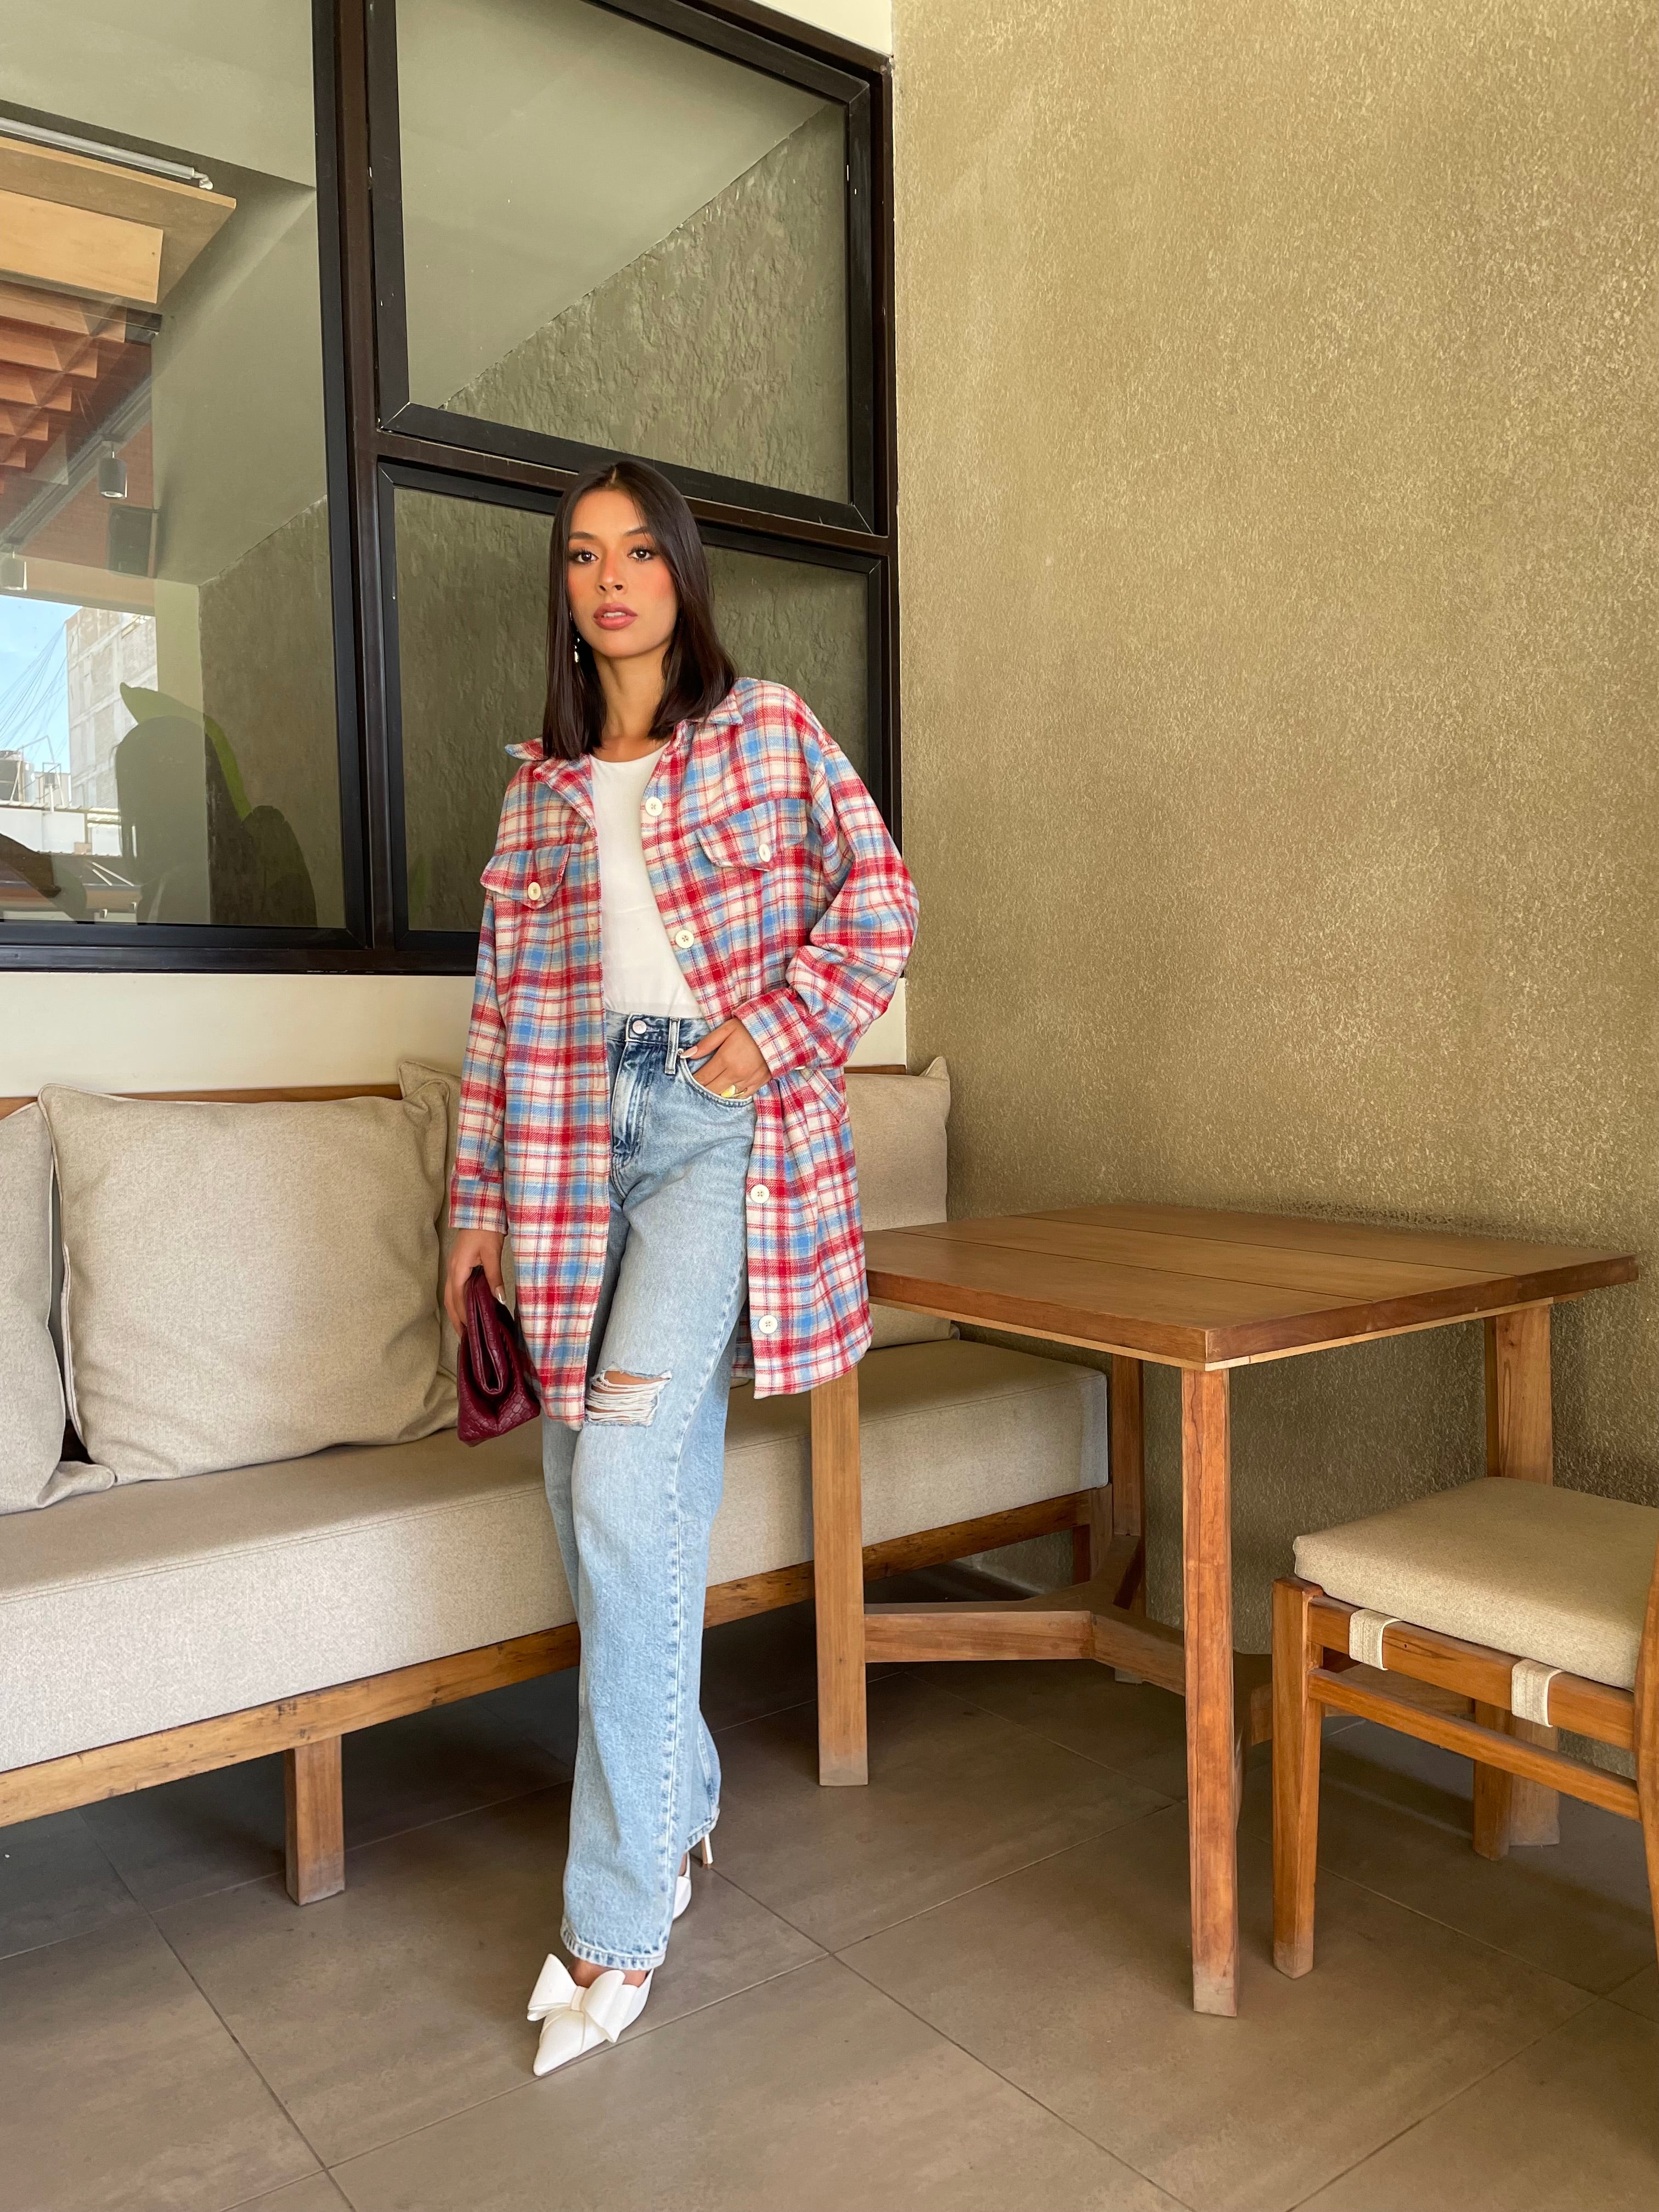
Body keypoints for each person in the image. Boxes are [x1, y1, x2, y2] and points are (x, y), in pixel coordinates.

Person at [443, 456, 917, 2076]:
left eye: (641, 551)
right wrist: (472, 1210)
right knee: (582, 1496)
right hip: (567, 1157)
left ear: (683, 575)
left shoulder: (768, 729)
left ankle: (619, 1917)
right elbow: (499, 1017)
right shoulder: (539, 793)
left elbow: (881, 902)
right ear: (565, 592)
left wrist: (770, 1035)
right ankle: (687, 1797)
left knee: (626, 1487)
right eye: (585, 556)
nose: (613, 578)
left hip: (720, 1141)